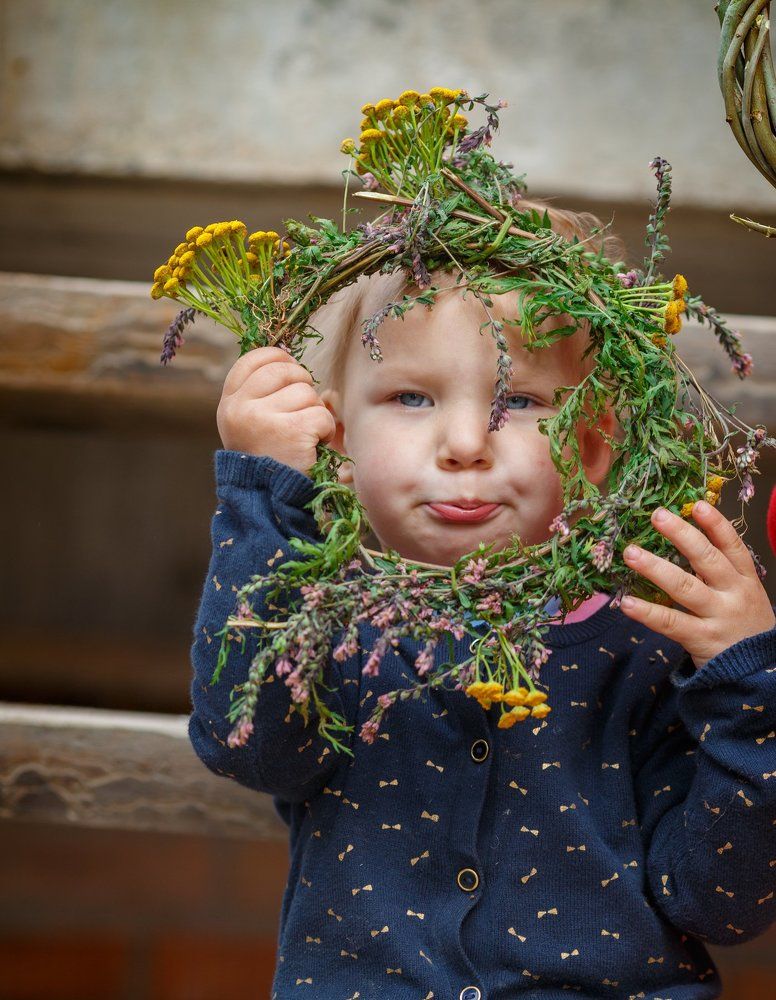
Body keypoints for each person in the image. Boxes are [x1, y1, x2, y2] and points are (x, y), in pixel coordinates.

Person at [188, 198, 776, 999]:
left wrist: (748, 689)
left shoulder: (648, 639)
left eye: (522, 402)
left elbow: (724, 903)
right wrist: (265, 496)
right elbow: (245, 744)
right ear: (333, 438)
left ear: (595, 443)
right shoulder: (324, 615)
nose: (465, 444)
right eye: (410, 398)